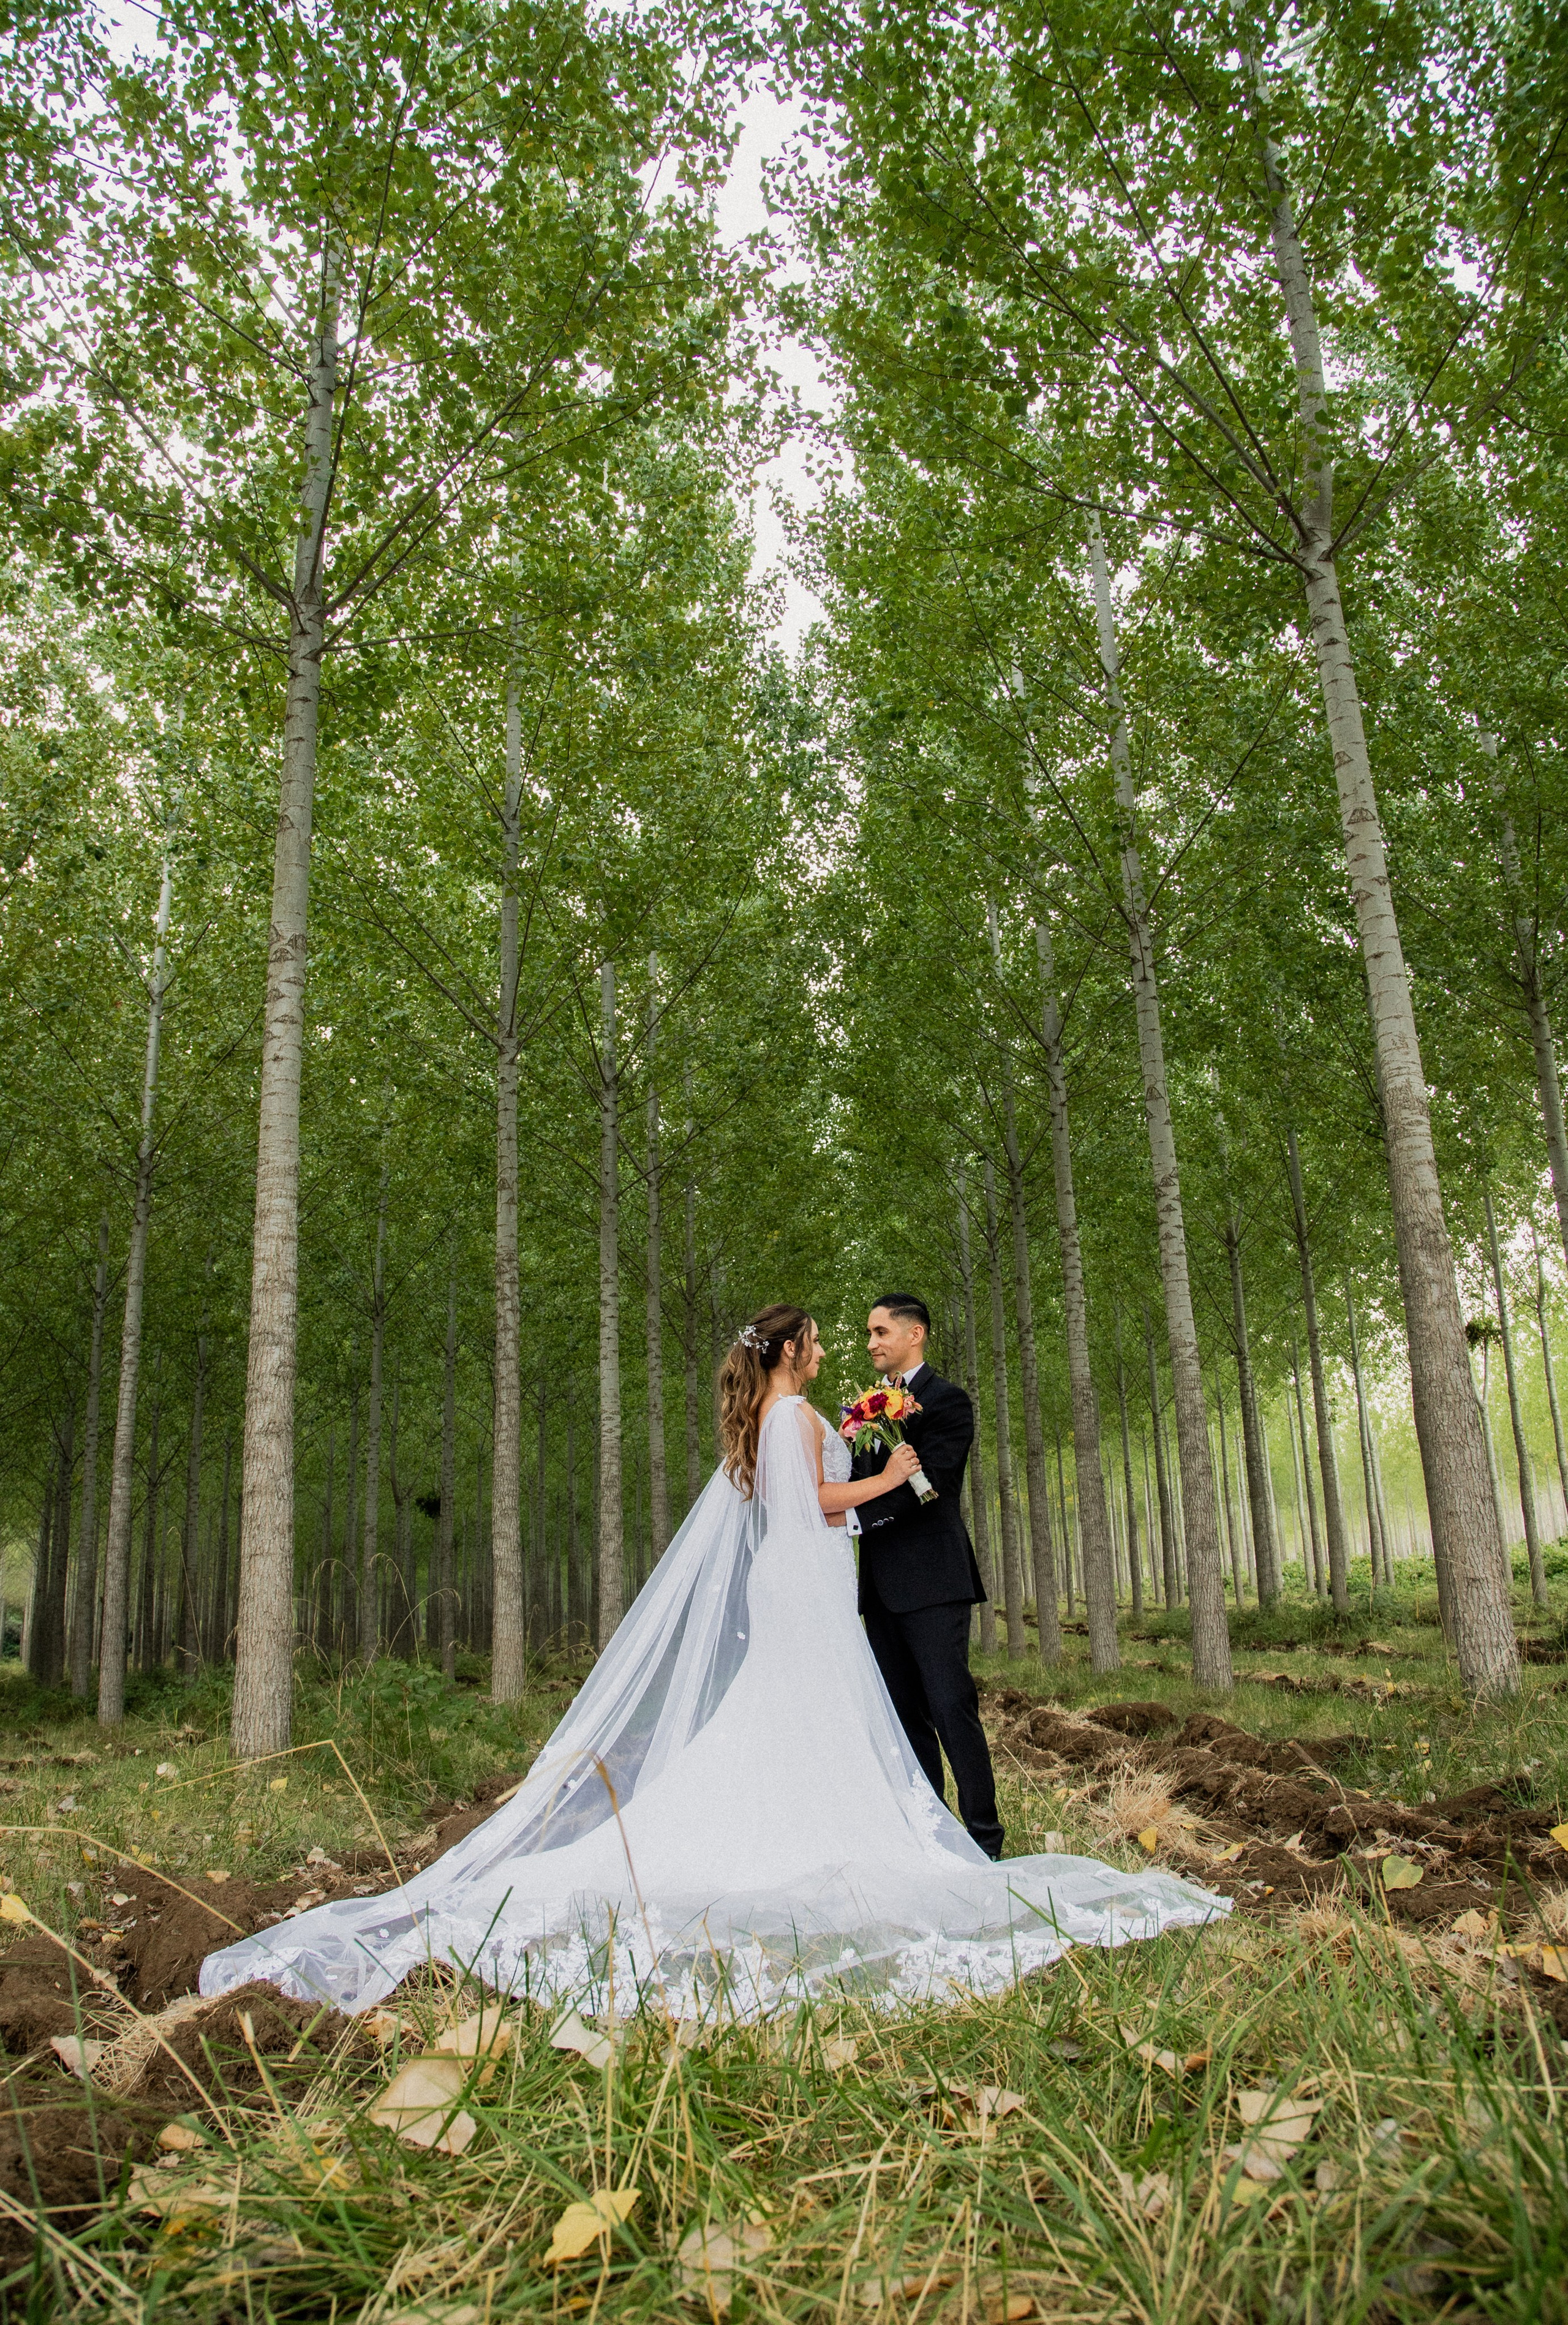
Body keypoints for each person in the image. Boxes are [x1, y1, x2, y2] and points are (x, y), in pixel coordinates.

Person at [200, 1303, 1226, 2022]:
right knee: (804, 1707)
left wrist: (879, 1468)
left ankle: (824, 1817)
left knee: (796, 1714)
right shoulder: (787, 1416)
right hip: (806, 1572)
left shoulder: (784, 1412)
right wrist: (893, 1477)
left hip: (812, 1579)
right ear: (790, 1352)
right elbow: (806, 1506)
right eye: (822, 1338)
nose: (833, 1349)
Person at [848, 1294, 1003, 1858]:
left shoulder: (948, 1401)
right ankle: (932, 1839)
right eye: (869, 1333)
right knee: (904, 1717)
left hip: (934, 1583)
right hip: (881, 1589)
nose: (872, 1343)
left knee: (950, 1706)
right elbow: (866, 1477)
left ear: (916, 1334)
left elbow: (932, 1485)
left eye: (881, 1331)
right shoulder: (865, 1409)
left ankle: (985, 1841)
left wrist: (855, 1520)